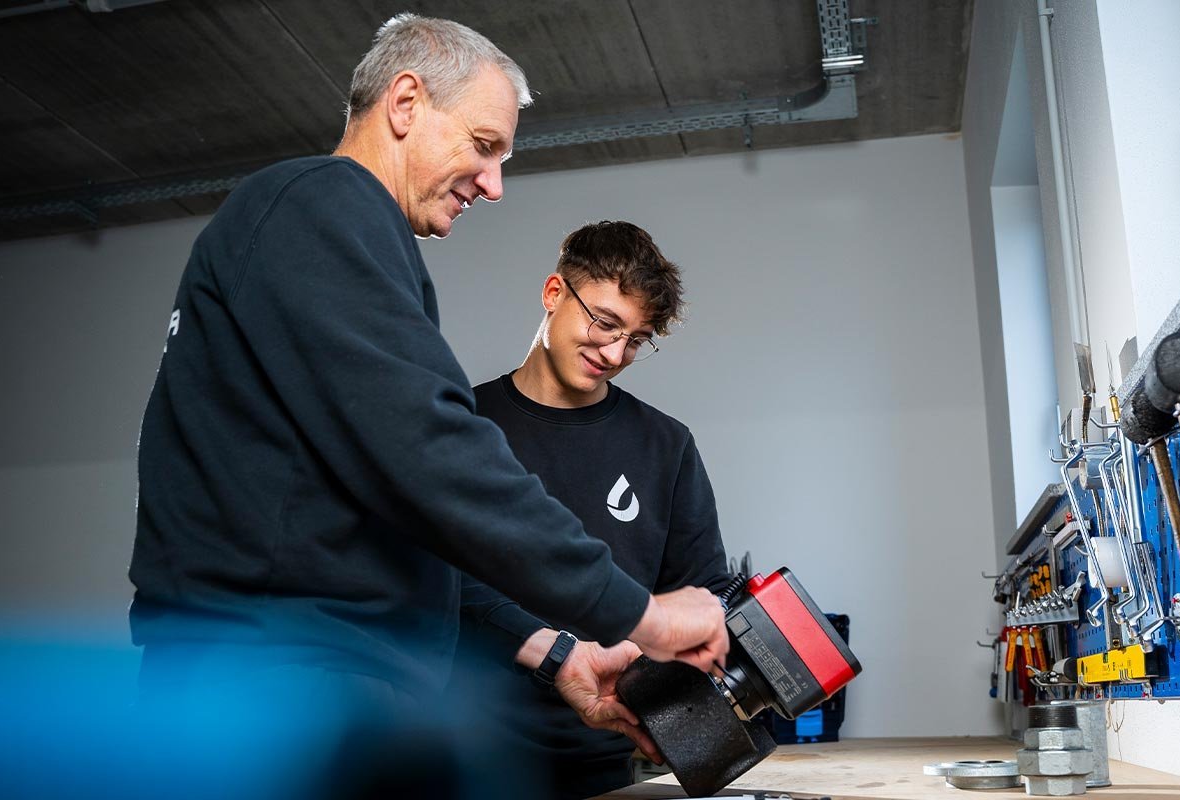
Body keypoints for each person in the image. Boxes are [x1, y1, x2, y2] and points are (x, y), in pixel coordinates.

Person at [125, 12, 728, 766]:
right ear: (405, 103)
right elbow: (432, 455)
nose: (494, 184)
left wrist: (557, 655)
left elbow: (398, 499)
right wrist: (642, 614)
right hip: (279, 691)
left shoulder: (326, 232)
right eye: (484, 147)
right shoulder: (321, 204)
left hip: (305, 684)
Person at [453, 221, 735, 799]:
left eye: (635, 339)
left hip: (602, 760)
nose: (614, 353)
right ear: (554, 293)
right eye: (604, 323)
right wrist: (556, 652)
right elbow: (434, 583)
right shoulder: (460, 426)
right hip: (460, 749)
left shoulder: (666, 446)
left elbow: (704, 595)